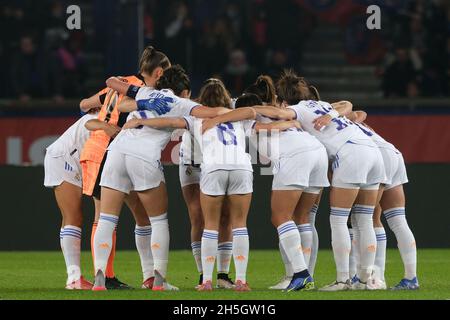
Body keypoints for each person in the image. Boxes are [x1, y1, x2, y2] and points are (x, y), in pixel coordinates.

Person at [91, 65, 231, 291]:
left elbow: (110, 82)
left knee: (107, 219)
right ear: (184, 91)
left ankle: (99, 278)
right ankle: (158, 280)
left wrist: (143, 103)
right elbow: (215, 112)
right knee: (158, 220)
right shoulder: (182, 103)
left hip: (116, 152)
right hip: (143, 156)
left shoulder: (145, 92)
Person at [254, 70, 386, 291]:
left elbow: (280, 115)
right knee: (365, 218)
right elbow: (348, 104)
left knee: (338, 219)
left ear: (285, 101)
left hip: (350, 154)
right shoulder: (323, 105)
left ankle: (344, 280)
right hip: (372, 152)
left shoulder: (294, 109)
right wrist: (331, 115)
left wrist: (252, 110)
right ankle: (366, 279)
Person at [79, 45, 171, 290]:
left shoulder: (119, 82)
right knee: (109, 216)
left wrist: (103, 107)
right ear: (159, 73)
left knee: (125, 216)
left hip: (106, 149)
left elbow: (83, 105)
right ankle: (112, 276)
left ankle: (113, 276)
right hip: (114, 148)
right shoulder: (142, 90)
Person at [348, 112, 418, 290]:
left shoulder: (324, 125)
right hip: (392, 152)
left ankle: (371, 277)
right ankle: (410, 278)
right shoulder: (344, 118)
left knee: (364, 218)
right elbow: (361, 113)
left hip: (374, 156)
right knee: (397, 220)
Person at [179, 78, 234, 289]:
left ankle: (221, 273)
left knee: (217, 217)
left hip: (216, 164)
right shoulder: (193, 111)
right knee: (201, 216)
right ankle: (205, 273)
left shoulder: (232, 109)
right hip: (192, 164)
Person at [44, 109, 98, 290]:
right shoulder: (100, 119)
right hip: (64, 158)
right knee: (73, 216)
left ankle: (76, 277)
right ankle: (74, 278)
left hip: (75, 160)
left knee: (74, 217)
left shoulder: (106, 117)